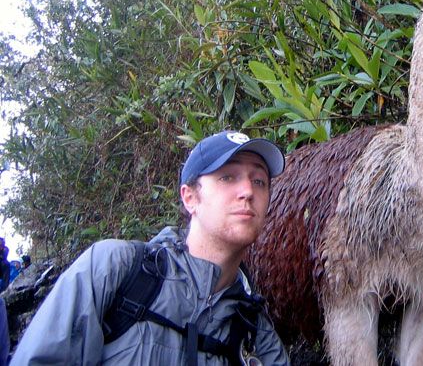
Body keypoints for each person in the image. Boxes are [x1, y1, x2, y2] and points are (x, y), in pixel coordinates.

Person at [11, 130, 290, 365]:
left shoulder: (254, 332)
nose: (248, 191)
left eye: (259, 181)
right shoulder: (115, 270)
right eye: (228, 177)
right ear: (190, 197)